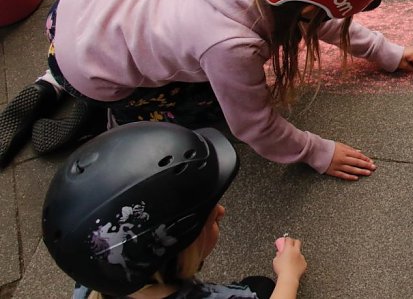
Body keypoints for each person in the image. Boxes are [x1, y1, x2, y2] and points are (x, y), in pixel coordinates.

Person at [0, 0, 413, 180]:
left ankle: (51, 83)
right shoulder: (231, 46)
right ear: (302, 14)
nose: (331, 23)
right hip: (96, 72)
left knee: (102, 55)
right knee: (210, 106)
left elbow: (312, 18)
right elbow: (254, 126)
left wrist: (383, 51)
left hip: (79, 12)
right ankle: (109, 118)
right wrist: (317, 152)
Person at [42, 122, 308, 299]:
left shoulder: (98, 276)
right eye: (207, 217)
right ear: (175, 251)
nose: (221, 211)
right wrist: (289, 276)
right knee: (263, 288)